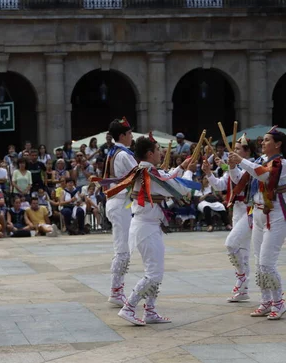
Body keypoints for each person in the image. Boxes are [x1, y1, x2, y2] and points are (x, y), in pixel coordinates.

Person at [105, 134, 197, 325]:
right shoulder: (149, 173)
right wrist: (188, 173)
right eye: (157, 150)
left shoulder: (144, 170)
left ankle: (151, 310)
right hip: (146, 227)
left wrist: (181, 168)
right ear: (149, 153)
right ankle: (129, 307)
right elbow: (180, 190)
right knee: (154, 272)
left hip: (147, 226)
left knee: (156, 271)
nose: (161, 153)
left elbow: (166, 177)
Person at [228, 126, 286, 319]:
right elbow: (240, 179)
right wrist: (232, 164)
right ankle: (266, 301)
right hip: (258, 213)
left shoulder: (281, 163)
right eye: (263, 140)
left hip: (276, 215)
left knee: (267, 263)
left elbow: (263, 174)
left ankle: (279, 301)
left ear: (278, 144)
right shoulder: (260, 160)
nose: (262, 142)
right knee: (259, 261)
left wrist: (241, 160)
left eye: (267, 140)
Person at [202, 135, 255, 301]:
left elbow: (238, 179)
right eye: (235, 149)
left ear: (247, 152)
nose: (234, 152)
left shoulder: (252, 166)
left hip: (250, 211)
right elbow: (219, 185)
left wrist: (231, 166)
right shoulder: (235, 167)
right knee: (243, 251)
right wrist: (208, 173)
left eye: (238, 149)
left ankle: (242, 278)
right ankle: (244, 290)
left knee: (231, 244)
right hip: (237, 211)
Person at [101, 117, 138, 306]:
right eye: (130, 133)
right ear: (122, 135)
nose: (132, 136)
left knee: (123, 248)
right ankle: (116, 291)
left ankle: (117, 289)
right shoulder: (123, 154)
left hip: (118, 202)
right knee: (122, 249)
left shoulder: (115, 152)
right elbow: (141, 175)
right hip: (119, 201)